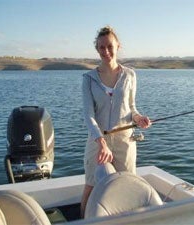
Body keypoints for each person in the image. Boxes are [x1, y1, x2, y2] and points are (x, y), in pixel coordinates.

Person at [80, 26, 151, 218]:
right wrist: (101, 143)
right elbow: (88, 115)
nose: (106, 52)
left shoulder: (130, 75)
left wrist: (139, 118)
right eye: (101, 48)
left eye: (109, 46)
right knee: (91, 186)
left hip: (124, 141)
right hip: (97, 141)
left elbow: (132, 108)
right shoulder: (88, 79)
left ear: (118, 46)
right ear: (97, 49)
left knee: (128, 186)